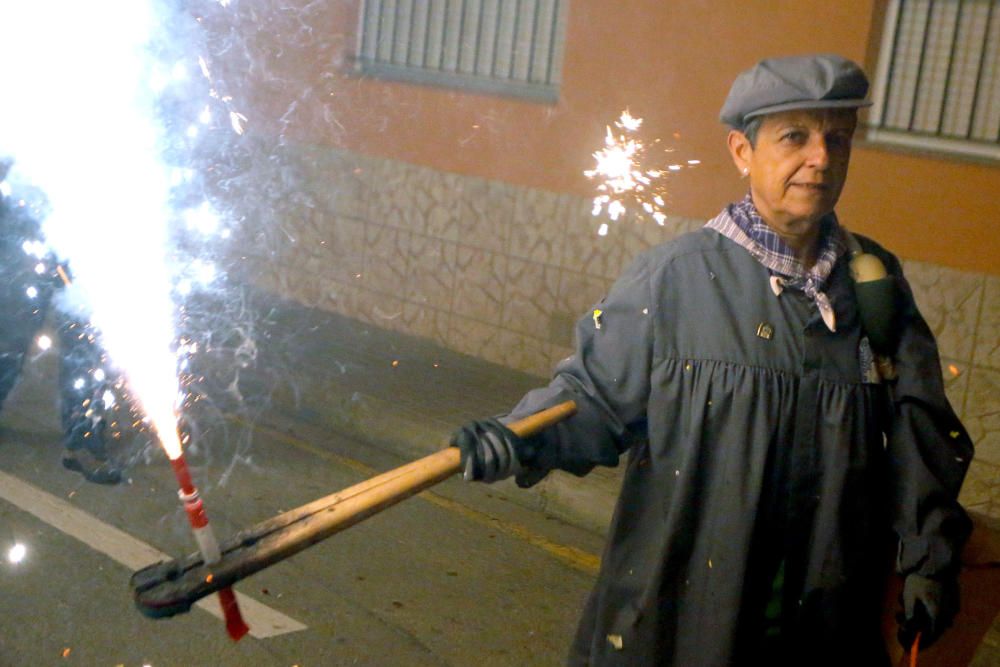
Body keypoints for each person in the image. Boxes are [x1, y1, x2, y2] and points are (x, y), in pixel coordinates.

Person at [452, 54, 973, 665]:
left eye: (837, 139)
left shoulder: (872, 285)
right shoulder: (671, 281)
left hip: (824, 621)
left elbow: (919, 428)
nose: (821, 159)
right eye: (794, 138)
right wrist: (516, 437)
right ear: (741, 152)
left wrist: (927, 560)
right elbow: (592, 399)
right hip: (689, 619)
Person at [0, 161, 122, 484]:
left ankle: (85, 439)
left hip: (81, 220)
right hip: (23, 216)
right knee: (11, 329)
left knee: (87, 340)